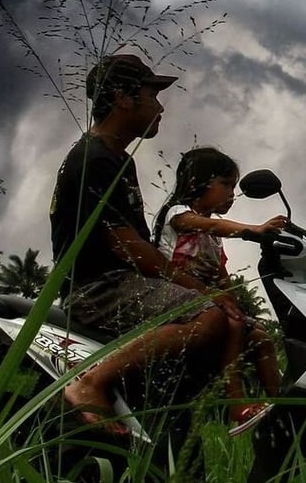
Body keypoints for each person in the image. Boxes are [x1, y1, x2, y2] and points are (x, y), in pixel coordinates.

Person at [51, 53, 237, 435]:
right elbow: (129, 246)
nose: (161, 106)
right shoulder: (94, 157)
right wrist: (200, 291)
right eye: (152, 95)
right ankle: (90, 382)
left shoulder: (118, 159)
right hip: (98, 290)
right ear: (122, 97)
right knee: (208, 315)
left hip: (123, 285)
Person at [152, 147, 285, 430]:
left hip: (205, 301)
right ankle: (236, 404)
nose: (231, 194)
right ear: (197, 182)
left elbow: (220, 273)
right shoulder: (179, 214)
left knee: (261, 336)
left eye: (233, 187)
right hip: (173, 296)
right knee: (235, 326)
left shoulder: (214, 237)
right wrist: (253, 230)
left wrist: (232, 300)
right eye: (225, 184)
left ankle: (284, 406)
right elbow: (210, 225)